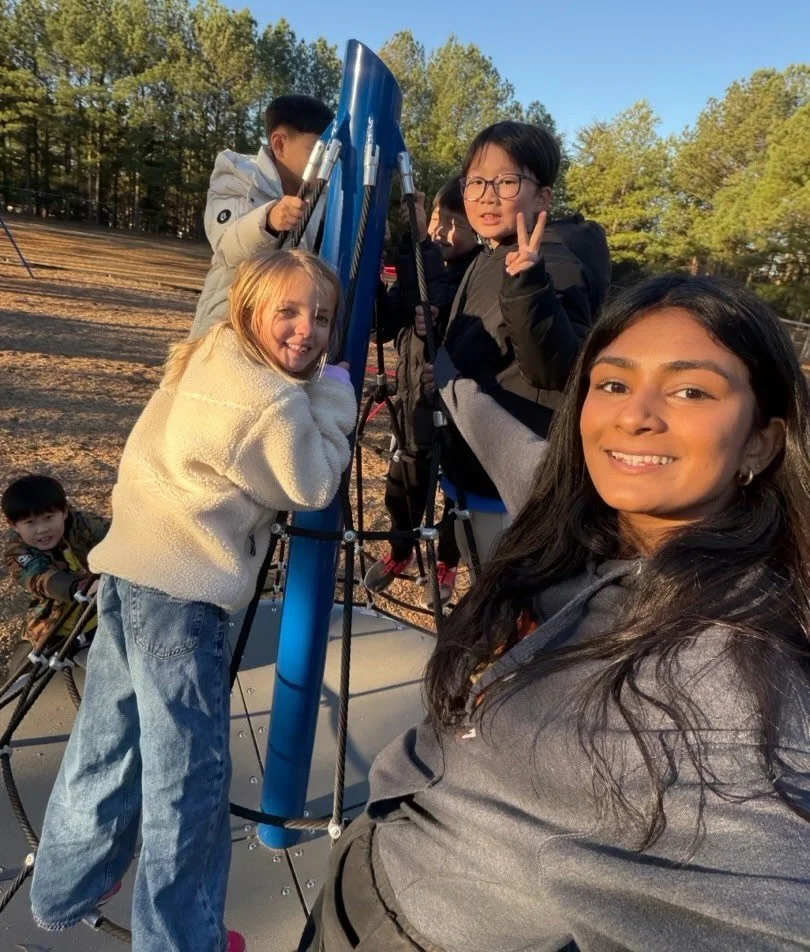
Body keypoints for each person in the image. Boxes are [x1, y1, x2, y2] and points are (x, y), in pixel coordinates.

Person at [300, 274, 810, 952]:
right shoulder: (585, 518)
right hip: (364, 879)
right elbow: (505, 440)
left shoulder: (732, 682)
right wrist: (446, 374)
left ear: (760, 442)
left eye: (691, 390)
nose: (634, 416)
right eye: (613, 383)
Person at [30, 249, 357, 952]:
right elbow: (313, 482)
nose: (306, 331)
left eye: (322, 318)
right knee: (191, 784)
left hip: (128, 571)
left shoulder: (212, 350)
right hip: (181, 598)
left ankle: (66, 885)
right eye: (289, 312)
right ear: (252, 310)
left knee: (106, 743)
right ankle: (183, 938)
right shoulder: (269, 402)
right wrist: (332, 388)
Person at [419, 121, 610, 567]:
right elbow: (497, 349)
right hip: (480, 465)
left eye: (507, 181)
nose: (487, 195)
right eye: (476, 182)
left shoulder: (553, 262)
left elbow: (556, 368)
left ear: (543, 196)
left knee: (512, 606)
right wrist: (448, 368)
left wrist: (529, 282)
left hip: (514, 479)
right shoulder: (492, 252)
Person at [365, 179, 482, 604]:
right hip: (414, 401)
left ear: (478, 232)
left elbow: (438, 299)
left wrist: (415, 241)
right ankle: (402, 550)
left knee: (455, 489)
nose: (442, 231)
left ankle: (447, 560)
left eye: (457, 224)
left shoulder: (477, 273)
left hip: (454, 406)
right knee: (403, 480)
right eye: (438, 219)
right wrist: (372, 288)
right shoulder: (422, 268)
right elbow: (387, 321)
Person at [191, 94, 334, 338]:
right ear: (279, 144)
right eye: (319, 150)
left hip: (287, 335)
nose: (327, 161)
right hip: (229, 327)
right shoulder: (238, 177)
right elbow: (227, 246)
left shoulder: (325, 198)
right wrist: (268, 221)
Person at [2, 474, 107, 681]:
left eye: (49, 518)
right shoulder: (18, 552)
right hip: (53, 629)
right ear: (13, 525)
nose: (42, 529)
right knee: (22, 679)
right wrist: (82, 586)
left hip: (101, 619)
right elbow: (41, 579)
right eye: (30, 522)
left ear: (65, 511)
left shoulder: (84, 524)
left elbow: (120, 538)